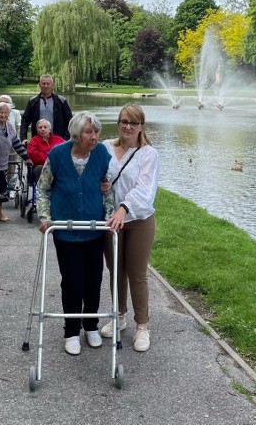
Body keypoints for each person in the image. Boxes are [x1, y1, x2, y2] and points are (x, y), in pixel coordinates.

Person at [37, 111, 114, 355]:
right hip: (65, 231)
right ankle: (71, 330)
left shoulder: (101, 153)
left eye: (96, 132)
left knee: (94, 279)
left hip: (94, 230)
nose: (95, 136)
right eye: (89, 132)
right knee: (72, 281)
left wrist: (110, 216)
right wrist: (45, 218)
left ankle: (90, 325)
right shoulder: (58, 154)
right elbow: (43, 189)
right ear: (76, 135)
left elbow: (107, 187)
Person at [101, 103, 160, 353]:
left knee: (136, 273)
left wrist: (123, 208)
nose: (127, 126)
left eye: (133, 123)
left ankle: (142, 326)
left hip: (137, 220)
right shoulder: (105, 147)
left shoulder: (148, 154)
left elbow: (145, 189)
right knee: (116, 271)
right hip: (110, 221)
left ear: (141, 127)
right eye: (124, 121)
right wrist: (101, 184)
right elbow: (96, 175)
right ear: (118, 122)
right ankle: (119, 316)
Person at [20, 74, 73, 140]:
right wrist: (23, 138)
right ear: (39, 85)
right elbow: (25, 120)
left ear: (52, 85)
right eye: (43, 84)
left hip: (58, 140)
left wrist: (66, 138)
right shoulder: (33, 101)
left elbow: (70, 121)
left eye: (48, 84)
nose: (46, 86)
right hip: (38, 140)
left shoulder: (61, 101)